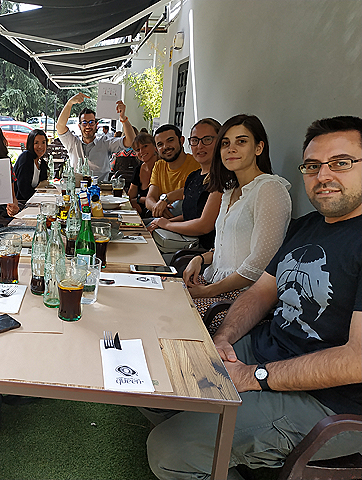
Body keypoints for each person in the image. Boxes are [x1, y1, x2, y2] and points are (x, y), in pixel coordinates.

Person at [146, 115, 362, 480]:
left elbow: (356, 360)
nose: (324, 176)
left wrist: (254, 375)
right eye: (312, 166)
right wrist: (225, 337)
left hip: (329, 401)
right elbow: (263, 289)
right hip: (264, 350)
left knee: (169, 450)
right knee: (156, 382)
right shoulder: (309, 225)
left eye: (341, 163)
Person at [182, 114, 292, 332]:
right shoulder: (230, 189)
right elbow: (227, 244)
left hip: (243, 296)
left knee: (176, 317)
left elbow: (260, 263)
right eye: (225, 143)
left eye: (241, 142)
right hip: (214, 283)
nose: (231, 149)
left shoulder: (269, 189)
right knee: (159, 295)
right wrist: (200, 258)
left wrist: (209, 291)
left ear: (259, 148)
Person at [147, 118, 223, 250]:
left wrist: (166, 224)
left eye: (207, 139)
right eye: (195, 141)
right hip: (184, 241)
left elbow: (204, 226)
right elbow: (190, 216)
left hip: (199, 251)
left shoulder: (221, 179)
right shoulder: (194, 176)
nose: (200, 146)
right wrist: (162, 222)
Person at [56, 92, 136, 181]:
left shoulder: (105, 142)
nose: (88, 126)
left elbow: (130, 141)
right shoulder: (73, 142)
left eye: (91, 122)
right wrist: (69, 103)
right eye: (84, 123)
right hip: (76, 189)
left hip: (101, 190)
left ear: (96, 125)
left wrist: (123, 118)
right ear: (79, 126)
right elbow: (60, 127)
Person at [145, 124, 201, 219]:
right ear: (156, 150)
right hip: (161, 220)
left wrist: (166, 198)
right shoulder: (159, 166)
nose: (166, 147)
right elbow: (149, 198)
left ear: (181, 140)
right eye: (160, 144)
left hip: (186, 223)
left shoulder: (197, 164)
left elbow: (193, 191)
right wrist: (157, 208)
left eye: (170, 140)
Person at [13, 128, 49, 203]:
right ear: (30, 144)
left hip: (32, 201)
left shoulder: (41, 162)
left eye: (43, 142)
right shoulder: (26, 157)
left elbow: (43, 184)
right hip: (20, 203)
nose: (40, 146)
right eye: (36, 143)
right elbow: (24, 190)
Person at [128, 132, 159, 218]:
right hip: (142, 213)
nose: (141, 151)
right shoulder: (138, 169)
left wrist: (140, 199)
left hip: (159, 213)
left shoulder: (164, 166)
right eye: (138, 150)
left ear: (154, 146)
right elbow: (130, 197)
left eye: (145, 146)